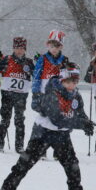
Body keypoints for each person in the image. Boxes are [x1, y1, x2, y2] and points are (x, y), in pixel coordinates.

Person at [0, 65, 95, 190]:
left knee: (72, 166)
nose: (72, 85)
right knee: (24, 164)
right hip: (43, 133)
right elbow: (57, 119)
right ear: (62, 80)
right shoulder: (52, 93)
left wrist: (86, 123)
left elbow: (79, 113)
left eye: (75, 81)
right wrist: (80, 124)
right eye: (69, 81)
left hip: (62, 135)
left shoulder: (75, 95)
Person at [31, 29, 71, 160]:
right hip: (44, 95)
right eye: (52, 46)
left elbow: (67, 78)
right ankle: (41, 150)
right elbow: (36, 77)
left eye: (57, 46)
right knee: (44, 122)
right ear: (48, 45)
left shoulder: (64, 60)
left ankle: (58, 151)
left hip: (59, 96)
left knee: (59, 122)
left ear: (61, 47)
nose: (54, 49)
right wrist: (35, 93)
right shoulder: (42, 59)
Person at [0, 36, 34, 153]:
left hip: (21, 96)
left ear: (25, 49)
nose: (19, 50)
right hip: (7, 94)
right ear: (13, 48)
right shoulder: (7, 59)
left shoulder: (29, 62)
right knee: (5, 119)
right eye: (17, 48)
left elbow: (36, 74)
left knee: (19, 120)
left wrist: (38, 63)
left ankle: (19, 146)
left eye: (21, 48)